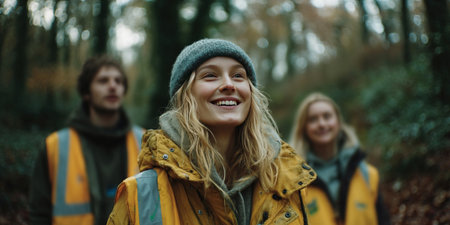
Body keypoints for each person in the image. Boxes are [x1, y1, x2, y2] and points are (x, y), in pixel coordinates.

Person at [106, 39, 317, 225]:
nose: (228, 84)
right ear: (184, 95)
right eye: (210, 75)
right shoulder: (140, 195)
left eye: (238, 75)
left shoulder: (289, 184)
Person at [29, 56, 144, 225]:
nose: (113, 86)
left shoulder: (145, 142)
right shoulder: (55, 146)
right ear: (86, 93)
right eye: (103, 81)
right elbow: (39, 214)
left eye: (119, 81)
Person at [289, 92, 390, 225]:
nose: (321, 124)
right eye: (313, 119)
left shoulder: (369, 176)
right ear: (303, 128)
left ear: (338, 121)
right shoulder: (293, 182)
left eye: (327, 116)